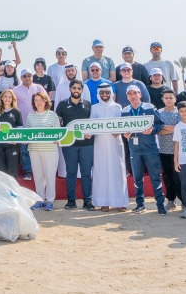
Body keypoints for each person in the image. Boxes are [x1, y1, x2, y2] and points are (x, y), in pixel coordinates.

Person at [122, 85, 166, 214]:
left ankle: (160, 205)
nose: (133, 96)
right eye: (130, 94)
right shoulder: (125, 111)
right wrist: (125, 134)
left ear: (140, 94)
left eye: (135, 93)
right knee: (137, 178)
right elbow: (122, 128)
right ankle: (140, 204)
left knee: (155, 177)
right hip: (134, 149)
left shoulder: (149, 107)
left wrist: (153, 130)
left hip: (150, 149)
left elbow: (160, 124)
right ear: (127, 97)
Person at [89, 83, 129, 211]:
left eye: (107, 93)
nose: (104, 95)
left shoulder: (118, 107)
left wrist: (119, 131)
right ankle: (103, 202)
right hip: (100, 144)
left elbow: (123, 124)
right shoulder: (94, 108)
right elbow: (90, 125)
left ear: (111, 93)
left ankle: (120, 202)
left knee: (117, 171)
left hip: (115, 144)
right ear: (99, 94)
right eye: (102, 93)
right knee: (101, 171)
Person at [57, 79, 94, 210]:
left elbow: (93, 124)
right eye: (74, 88)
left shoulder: (89, 105)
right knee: (71, 172)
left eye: (79, 88)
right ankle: (71, 201)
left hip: (87, 145)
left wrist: (91, 132)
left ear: (82, 90)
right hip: (69, 145)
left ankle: (87, 201)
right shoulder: (62, 104)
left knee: (86, 173)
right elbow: (57, 124)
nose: (76, 90)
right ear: (70, 89)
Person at [24, 92, 61, 211]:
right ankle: (40, 199)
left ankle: (49, 200)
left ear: (46, 101)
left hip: (50, 150)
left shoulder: (52, 115)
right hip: (34, 149)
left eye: (40, 100)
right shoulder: (30, 116)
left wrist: (57, 139)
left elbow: (58, 134)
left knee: (50, 175)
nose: (38, 102)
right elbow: (27, 133)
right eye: (36, 100)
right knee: (38, 176)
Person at [154, 89, 181, 211]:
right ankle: (171, 200)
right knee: (167, 176)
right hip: (163, 150)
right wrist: (171, 128)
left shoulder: (179, 113)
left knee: (179, 177)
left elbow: (179, 129)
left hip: (178, 151)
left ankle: (184, 201)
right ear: (163, 99)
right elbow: (157, 129)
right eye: (166, 98)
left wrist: (164, 128)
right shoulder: (158, 113)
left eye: (171, 97)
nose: (169, 100)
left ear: (175, 99)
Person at [0, 90, 22, 177]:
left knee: (12, 172)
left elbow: (20, 129)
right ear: (2, 98)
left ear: (13, 99)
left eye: (10, 97)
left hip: (12, 145)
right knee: (1, 171)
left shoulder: (17, 112)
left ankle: (13, 190)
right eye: (6, 96)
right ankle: (2, 190)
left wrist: (16, 140)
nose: (7, 98)